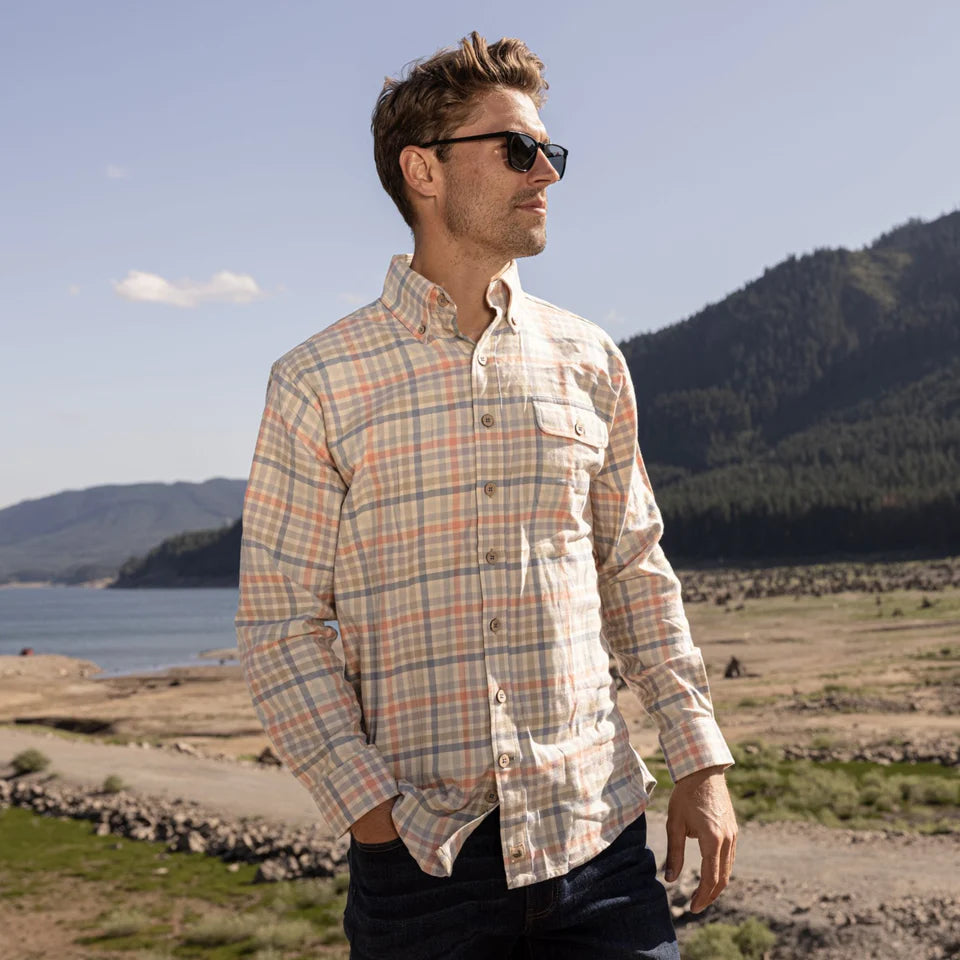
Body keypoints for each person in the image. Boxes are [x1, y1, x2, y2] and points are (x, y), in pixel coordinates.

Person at [235, 31, 737, 960]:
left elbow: (633, 570)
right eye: (517, 148)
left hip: (601, 847)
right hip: (423, 871)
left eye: (550, 150)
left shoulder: (591, 360)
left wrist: (699, 760)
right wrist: (374, 814)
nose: (546, 171)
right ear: (422, 170)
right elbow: (281, 626)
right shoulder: (317, 382)